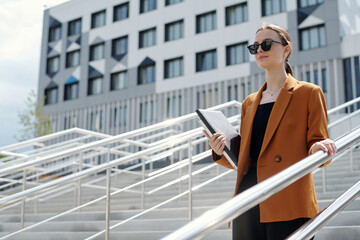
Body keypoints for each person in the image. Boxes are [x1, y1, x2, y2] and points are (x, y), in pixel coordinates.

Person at [203, 23, 337, 240]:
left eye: (266, 44)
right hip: (247, 199)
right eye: (255, 47)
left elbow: (318, 142)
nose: (260, 50)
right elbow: (245, 159)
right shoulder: (249, 102)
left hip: (288, 197)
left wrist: (318, 148)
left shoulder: (308, 93)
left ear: (286, 50)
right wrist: (220, 150)